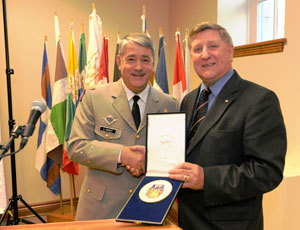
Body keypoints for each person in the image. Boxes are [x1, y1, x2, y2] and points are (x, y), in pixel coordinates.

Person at [168, 22, 287, 229]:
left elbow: (267, 172)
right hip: (187, 221)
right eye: (197, 49)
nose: (204, 55)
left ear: (231, 51)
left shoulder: (259, 100)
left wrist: (207, 178)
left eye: (213, 46)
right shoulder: (188, 100)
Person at [67, 33, 179, 220]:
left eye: (145, 60)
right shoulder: (94, 98)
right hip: (100, 209)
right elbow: (75, 147)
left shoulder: (170, 104)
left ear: (153, 64)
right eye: (131, 59)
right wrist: (122, 154)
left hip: (150, 207)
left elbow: (172, 156)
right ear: (119, 62)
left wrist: (149, 160)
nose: (138, 67)